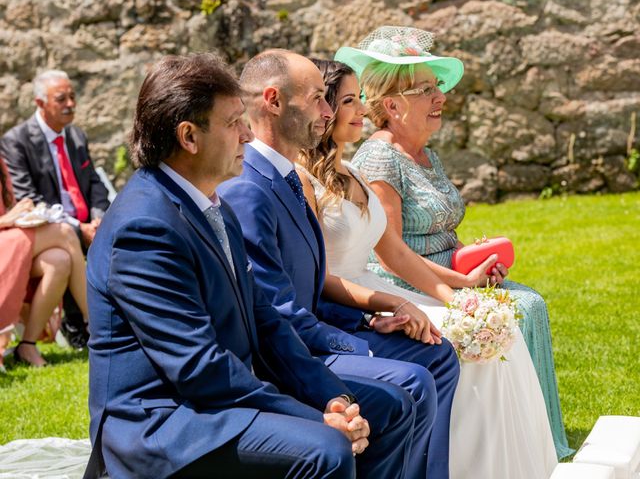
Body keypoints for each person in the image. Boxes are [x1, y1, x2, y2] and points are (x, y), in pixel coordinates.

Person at [85, 52, 418, 479]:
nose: (246, 134)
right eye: (232, 123)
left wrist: (333, 398)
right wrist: (313, 416)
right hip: (167, 425)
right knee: (327, 447)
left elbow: (266, 321)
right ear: (189, 136)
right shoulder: (144, 228)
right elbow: (197, 367)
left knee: (390, 407)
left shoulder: (213, 206)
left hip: (224, 397)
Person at [296, 57, 558, 479]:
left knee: (499, 334)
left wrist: (457, 301)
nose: (363, 110)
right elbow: (317, 273)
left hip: (384, 291)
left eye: (358, 100)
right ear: (323, 109)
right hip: (352, 302)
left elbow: (395, 253)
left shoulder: (353, 175)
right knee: (464, 350)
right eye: (349, 101)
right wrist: (390, 304)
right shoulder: (304, 180)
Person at [218, 49, 459, 479]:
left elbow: (310, 284)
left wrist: (370, 320)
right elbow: (277, 312)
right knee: (413, 383)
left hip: (322, 329)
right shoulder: (249, 188)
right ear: (273, 102)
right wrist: (357, 343)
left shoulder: (286, 177)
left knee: (437, 353)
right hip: (291, 353)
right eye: (318, 99)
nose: (328, 112)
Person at [0, 69, 110, 349]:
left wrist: (98, 218)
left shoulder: (76, 137)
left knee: (105, 245)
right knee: (65, 241)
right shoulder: (17, 141)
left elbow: (95, 183)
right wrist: (78, 227)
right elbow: (29, 199)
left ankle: (108, 322)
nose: (70, 104)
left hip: (87, 225)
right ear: (40, 103)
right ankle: (95, 325)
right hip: (51, 226)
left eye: (72, 97)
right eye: (61, 99)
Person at [0, 156, 88, 368]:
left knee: (59, 260)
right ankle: (99, 325)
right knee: (65, 233)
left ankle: (27, 346)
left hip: (9, 241)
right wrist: (7, 219)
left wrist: (23, 212)